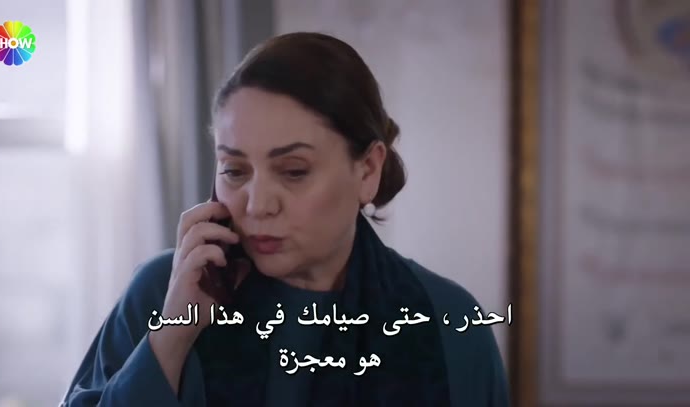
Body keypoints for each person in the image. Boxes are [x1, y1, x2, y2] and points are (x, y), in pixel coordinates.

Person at [60, 32, 509, 407]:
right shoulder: (165, 293)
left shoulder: (449, 320)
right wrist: (173, 334)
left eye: (293, 171)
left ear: (367, 170)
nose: (257, 205)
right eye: (235, 171)